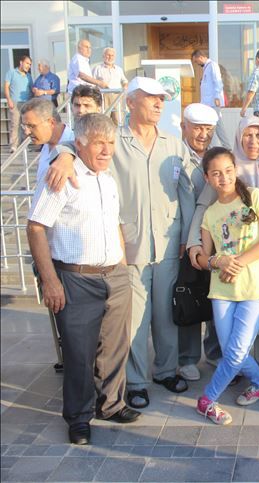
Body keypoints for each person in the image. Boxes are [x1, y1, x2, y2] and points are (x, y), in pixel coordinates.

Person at [45, 77, 196, 409]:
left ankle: (166, 370)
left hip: (168, 244)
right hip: (128, 246)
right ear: (130, 102)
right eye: (151, 98)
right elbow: (80, 145)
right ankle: (137, 381)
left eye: (161, 99)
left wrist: (188, 237)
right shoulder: (115, 139)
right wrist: (64, 156)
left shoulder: (173, 143)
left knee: (166, 315)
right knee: (134, 320)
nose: (159, 104)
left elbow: (186, 189)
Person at [27, 113, 141, 445]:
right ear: (79, 144)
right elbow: (36, 227)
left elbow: (114, 225)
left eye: (111, 142)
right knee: (79, 354)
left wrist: (122, 267)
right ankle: (78, 418)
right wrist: (50, 281)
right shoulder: (62, 175)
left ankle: (111, 404)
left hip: (114, 275)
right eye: (99, 143)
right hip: (76, 279)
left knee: (115, 347)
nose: (107, 150)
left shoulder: (108, 179)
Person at [187, 116, 259, 380]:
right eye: (247, 135)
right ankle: (229, 363)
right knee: (227, 315)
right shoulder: (226, 169)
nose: (253, 141)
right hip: (228, 258)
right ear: (238, 138)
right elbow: (203, 209)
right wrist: (195, 244)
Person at [194, 147, 259, 424]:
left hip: (255, 286)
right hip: (222, 290)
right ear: (207, 178)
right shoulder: (210, 214)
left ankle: (207, 400)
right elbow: (204, 258)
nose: (224, 178)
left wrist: (239, 262)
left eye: (228, 171)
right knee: (232, 350)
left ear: (236, 170)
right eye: (216, 174)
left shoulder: (255, 197)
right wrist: (217, 261)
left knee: (235, 352)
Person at [177, 103, 223, 382]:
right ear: (184, 127)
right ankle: (187, 357)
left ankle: (216, 353)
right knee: (189, 296)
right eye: (197, 128)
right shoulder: (174, 155)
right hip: (184, 241)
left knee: (218, 297)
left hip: (218, 241)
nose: (203, 134)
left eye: (208, 129)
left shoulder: (218, 157)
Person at [20, 98, 74, 184]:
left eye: (31, 126)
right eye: (24, 126)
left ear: (51, 122)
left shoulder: (78, 147)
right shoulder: (46, 144)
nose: (27, 132)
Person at [191, 49, 231, 148]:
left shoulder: (212, 65)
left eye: (196, 61)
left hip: (213, 102)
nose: (197, 63)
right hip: (208, 103)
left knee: (211, 125)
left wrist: (217, 97)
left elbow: (218, 81)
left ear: (200, 57)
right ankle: (224, 146)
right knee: (215, 125)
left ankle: (214, 147)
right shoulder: (207, 67)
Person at [92, 47, 128, 125]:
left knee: (118, 119)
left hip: (117, 96)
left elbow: (124, 81)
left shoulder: (119, 69)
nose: (110, 57)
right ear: (103, 56)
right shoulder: (97, 69)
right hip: (103, 96)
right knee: (104, 119)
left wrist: (125, 86)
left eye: (112, 55)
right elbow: (92, 83)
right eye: (108, 55)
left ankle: (117, 133)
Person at [4, 55, 33, 153]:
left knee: (25, 125)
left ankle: (24, 146)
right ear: (21, 62)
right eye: (27, 63)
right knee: (15, 124)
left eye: (30, 64)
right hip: (15, 103)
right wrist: (9, 100)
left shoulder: (29, 76)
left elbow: (31, 89)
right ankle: (14, 146)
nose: (29, 66)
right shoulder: (11, 72)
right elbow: (6, 87)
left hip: (26, 104)